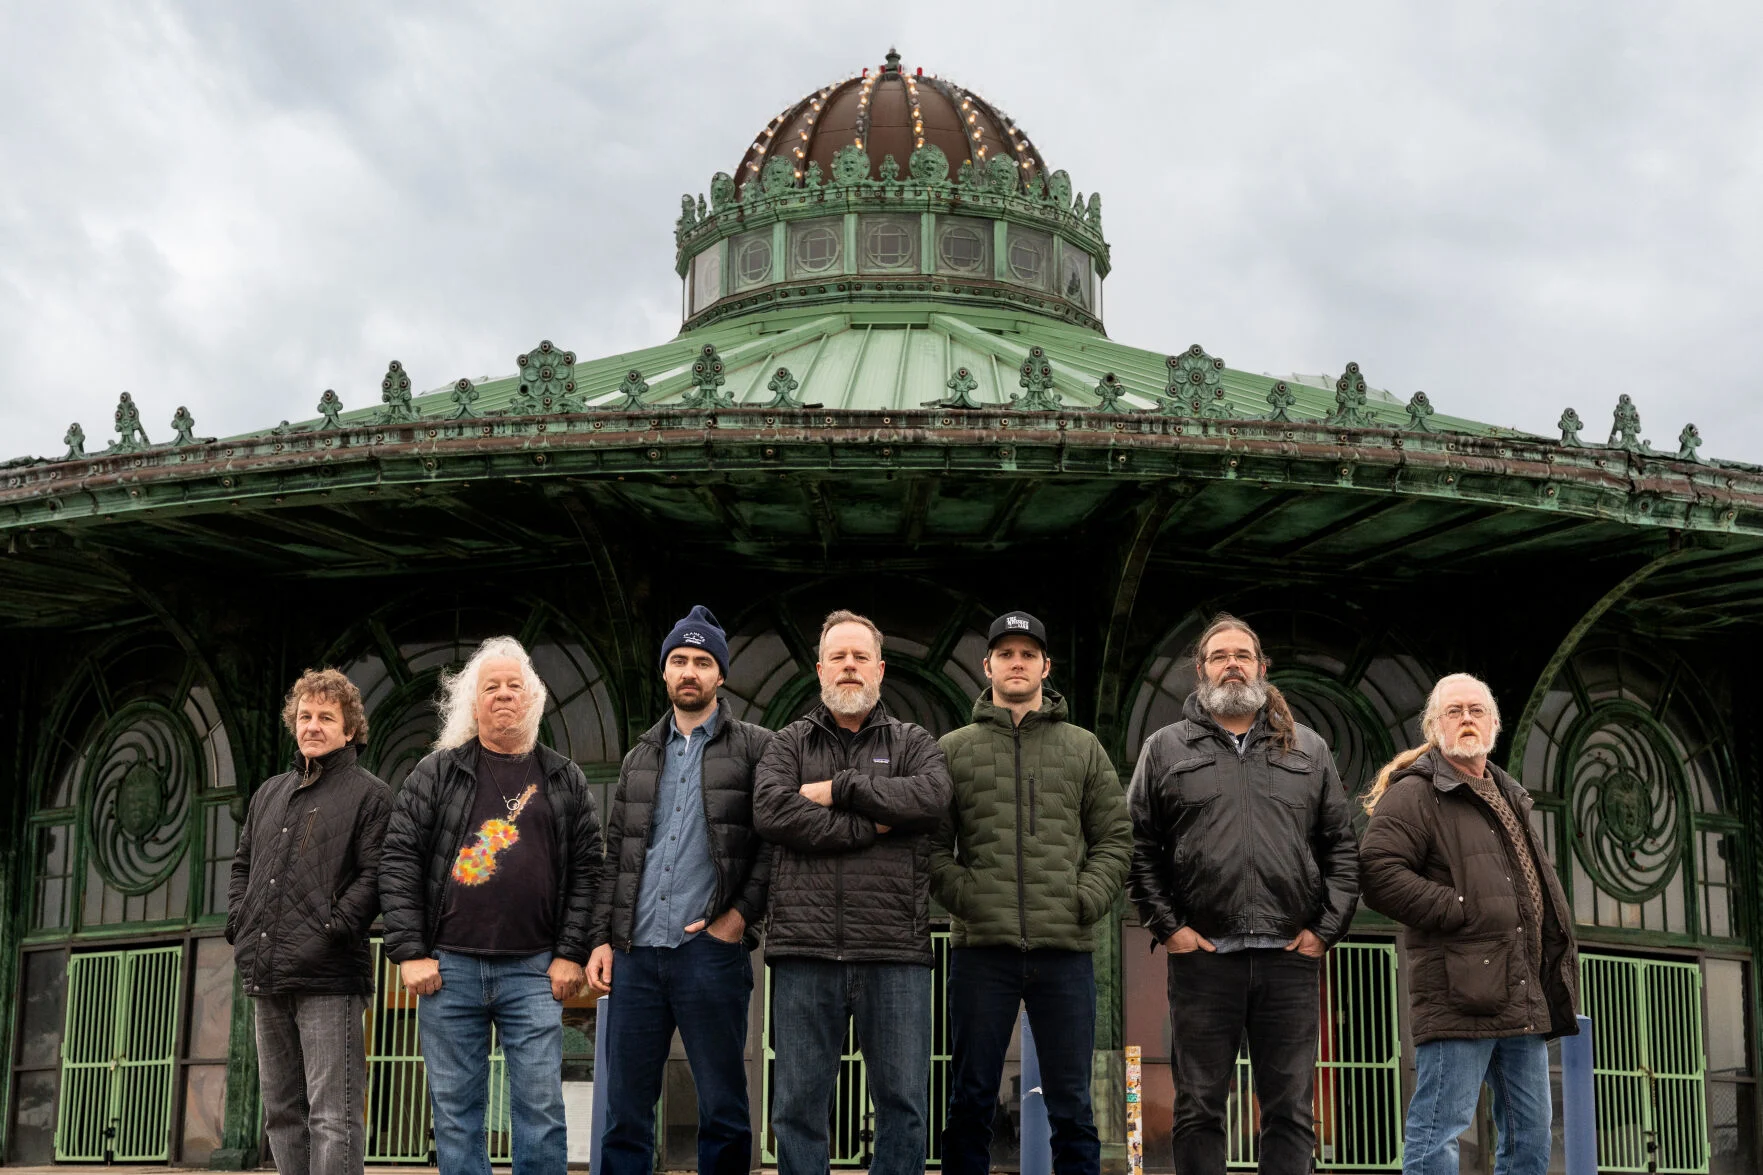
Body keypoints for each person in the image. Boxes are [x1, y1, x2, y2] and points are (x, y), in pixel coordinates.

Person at [1126, 613, 1359, 1175]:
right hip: (1204, 961)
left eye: (1243, 655)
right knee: (1198, 1108)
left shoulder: (1309, 749)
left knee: (1290, 1112)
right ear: (1201, 671)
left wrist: (1323, 932)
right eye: (1219, 656)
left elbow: (1343, 850)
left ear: (1261, 667)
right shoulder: (1164, 749)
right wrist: (1170, 929)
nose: (1232, 664)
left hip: (1289, 959)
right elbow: (1138, 849)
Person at [379, 636, 602, 1175]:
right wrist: (410, 952)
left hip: (534, 969)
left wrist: (570, 952)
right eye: (490, 687)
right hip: (447, 968)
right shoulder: (436, 773)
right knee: (456, 1115)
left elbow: (590, 871)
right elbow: (399, 858)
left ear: (533, 700)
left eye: (514, 686)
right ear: (472, 703)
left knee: (541, 1110)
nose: (504, 695)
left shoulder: (564, 777)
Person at [753, 610, 953, 1175]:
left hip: (894, 952)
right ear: (819, 670)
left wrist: (839, 788)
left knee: (905, 1106)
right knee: (796, 1109)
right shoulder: (786, 743)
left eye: (859, 656)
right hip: (804, 951)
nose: (848, 667)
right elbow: (772, 811)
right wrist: (870, 823)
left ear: (880, 669)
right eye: (837, 657)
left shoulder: (915, 743)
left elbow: (930, 800)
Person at [932, 611, 1132, 1175]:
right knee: (970, 1100)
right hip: (980, 952)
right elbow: (929, 848)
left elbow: (1116, 839)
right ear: (988, 665)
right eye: (1005, 653)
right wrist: (967, 897)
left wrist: (1084, 899)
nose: (1016, 663)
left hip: (1064, 951)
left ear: (1046, 665)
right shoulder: (953, 749)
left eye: (1027, 654)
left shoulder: (1084, 747)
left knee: (1073, 1106)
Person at [1359, 673, 1579, 1175]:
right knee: (1439, 1135)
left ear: (1495, 723)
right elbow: (1377, 873)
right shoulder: (1415, 793)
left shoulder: (1509, 794)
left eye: (1476, 710)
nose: (1466, 719)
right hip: (1458, 991)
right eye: (1454, 711)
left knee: (1531, 1138)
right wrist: (1461, 908)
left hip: (1522, 991)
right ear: (1434, 726)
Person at [587, 606, 773, 1175]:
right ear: (664, 673)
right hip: (636, 955)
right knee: (625, 1112)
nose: (689, 671)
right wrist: (601, 938)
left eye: (701, 661)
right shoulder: (641, 754)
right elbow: (615, 852)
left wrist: (737, 919)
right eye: (678, 660)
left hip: (709, 953)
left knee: (723, 1108)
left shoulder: (758, 748)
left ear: (720, 675)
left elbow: (774, 847)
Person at [228, 668, 391, 1175]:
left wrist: (331, 929)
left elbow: (375, 877)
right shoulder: (269, 793)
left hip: (329, 976)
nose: (313, 726)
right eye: (304, 716)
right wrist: (239, 921)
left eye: (326, 717)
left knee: (332, 1117)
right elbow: (241, 866)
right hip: (266, 971)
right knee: (281, 1114)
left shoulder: (371, 795)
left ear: (350, 730)